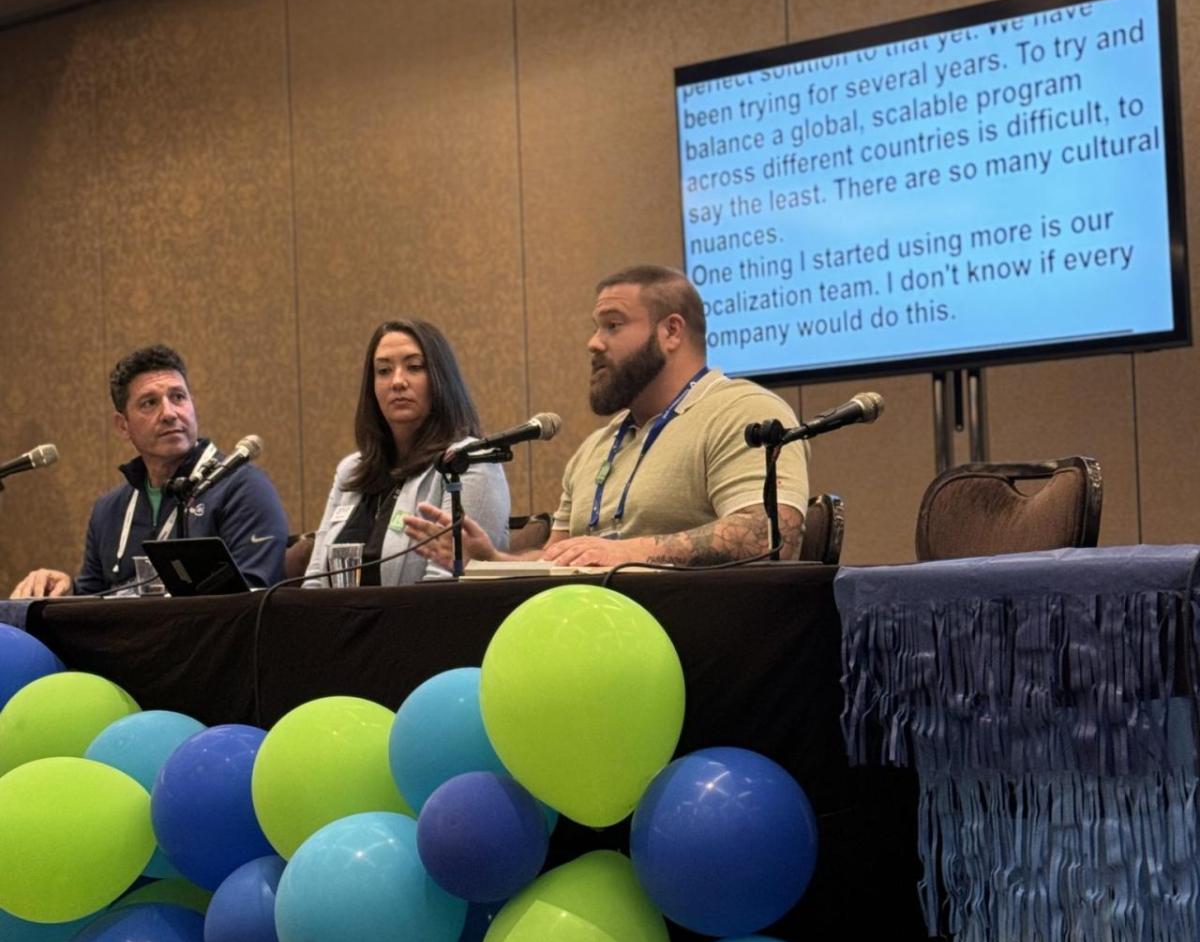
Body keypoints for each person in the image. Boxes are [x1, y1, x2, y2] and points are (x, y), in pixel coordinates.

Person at [405, 265, 807, 570]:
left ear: (671, 332)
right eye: (597, 328)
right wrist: (489, 560)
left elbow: (771, 534)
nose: (593, 343)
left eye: (613, 325)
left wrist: (627, 552)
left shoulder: (743, 412)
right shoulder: (596, 448)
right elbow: (559, 561)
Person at [10, 344, 288, 597]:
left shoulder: (242, 488)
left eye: (178, 397)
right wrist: (67, 588)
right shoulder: (109, 510)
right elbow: (91, 601)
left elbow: (252, 597)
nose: (169, 413)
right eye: (149, 403)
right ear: (123, 425)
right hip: (119, 648)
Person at [304, 318, 509, 587]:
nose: (397, 382)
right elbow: (314, 581)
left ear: (440, 379)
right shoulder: (351, 470)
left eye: (414, 367)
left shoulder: (468, 462)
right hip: (338, 626)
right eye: (384, 371)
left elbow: (444, 587)